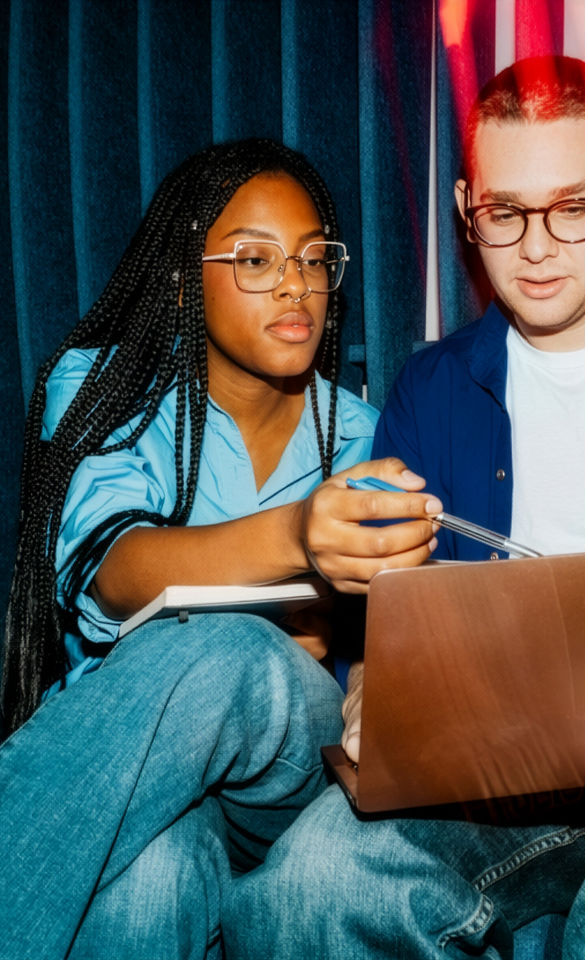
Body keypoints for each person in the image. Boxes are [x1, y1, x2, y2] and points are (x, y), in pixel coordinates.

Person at [224, 57, 585, 959]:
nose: (537, 248)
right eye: (504, 212)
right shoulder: (432, 390)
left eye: (574, 207)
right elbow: (387, 621)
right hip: (503, 773)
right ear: (466, 207)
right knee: (311, 882)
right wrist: (375, 688)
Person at [0, 138, 441, 959]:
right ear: (181, 276)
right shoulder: (104, 392)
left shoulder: (362, 437)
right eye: (253, 258)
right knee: (156, 879)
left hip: (292, 777)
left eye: (314, 260)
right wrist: (296, 539)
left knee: (232, 648)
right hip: (132, 785)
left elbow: (341, 649)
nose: (293, 283)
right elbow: (113, 572)